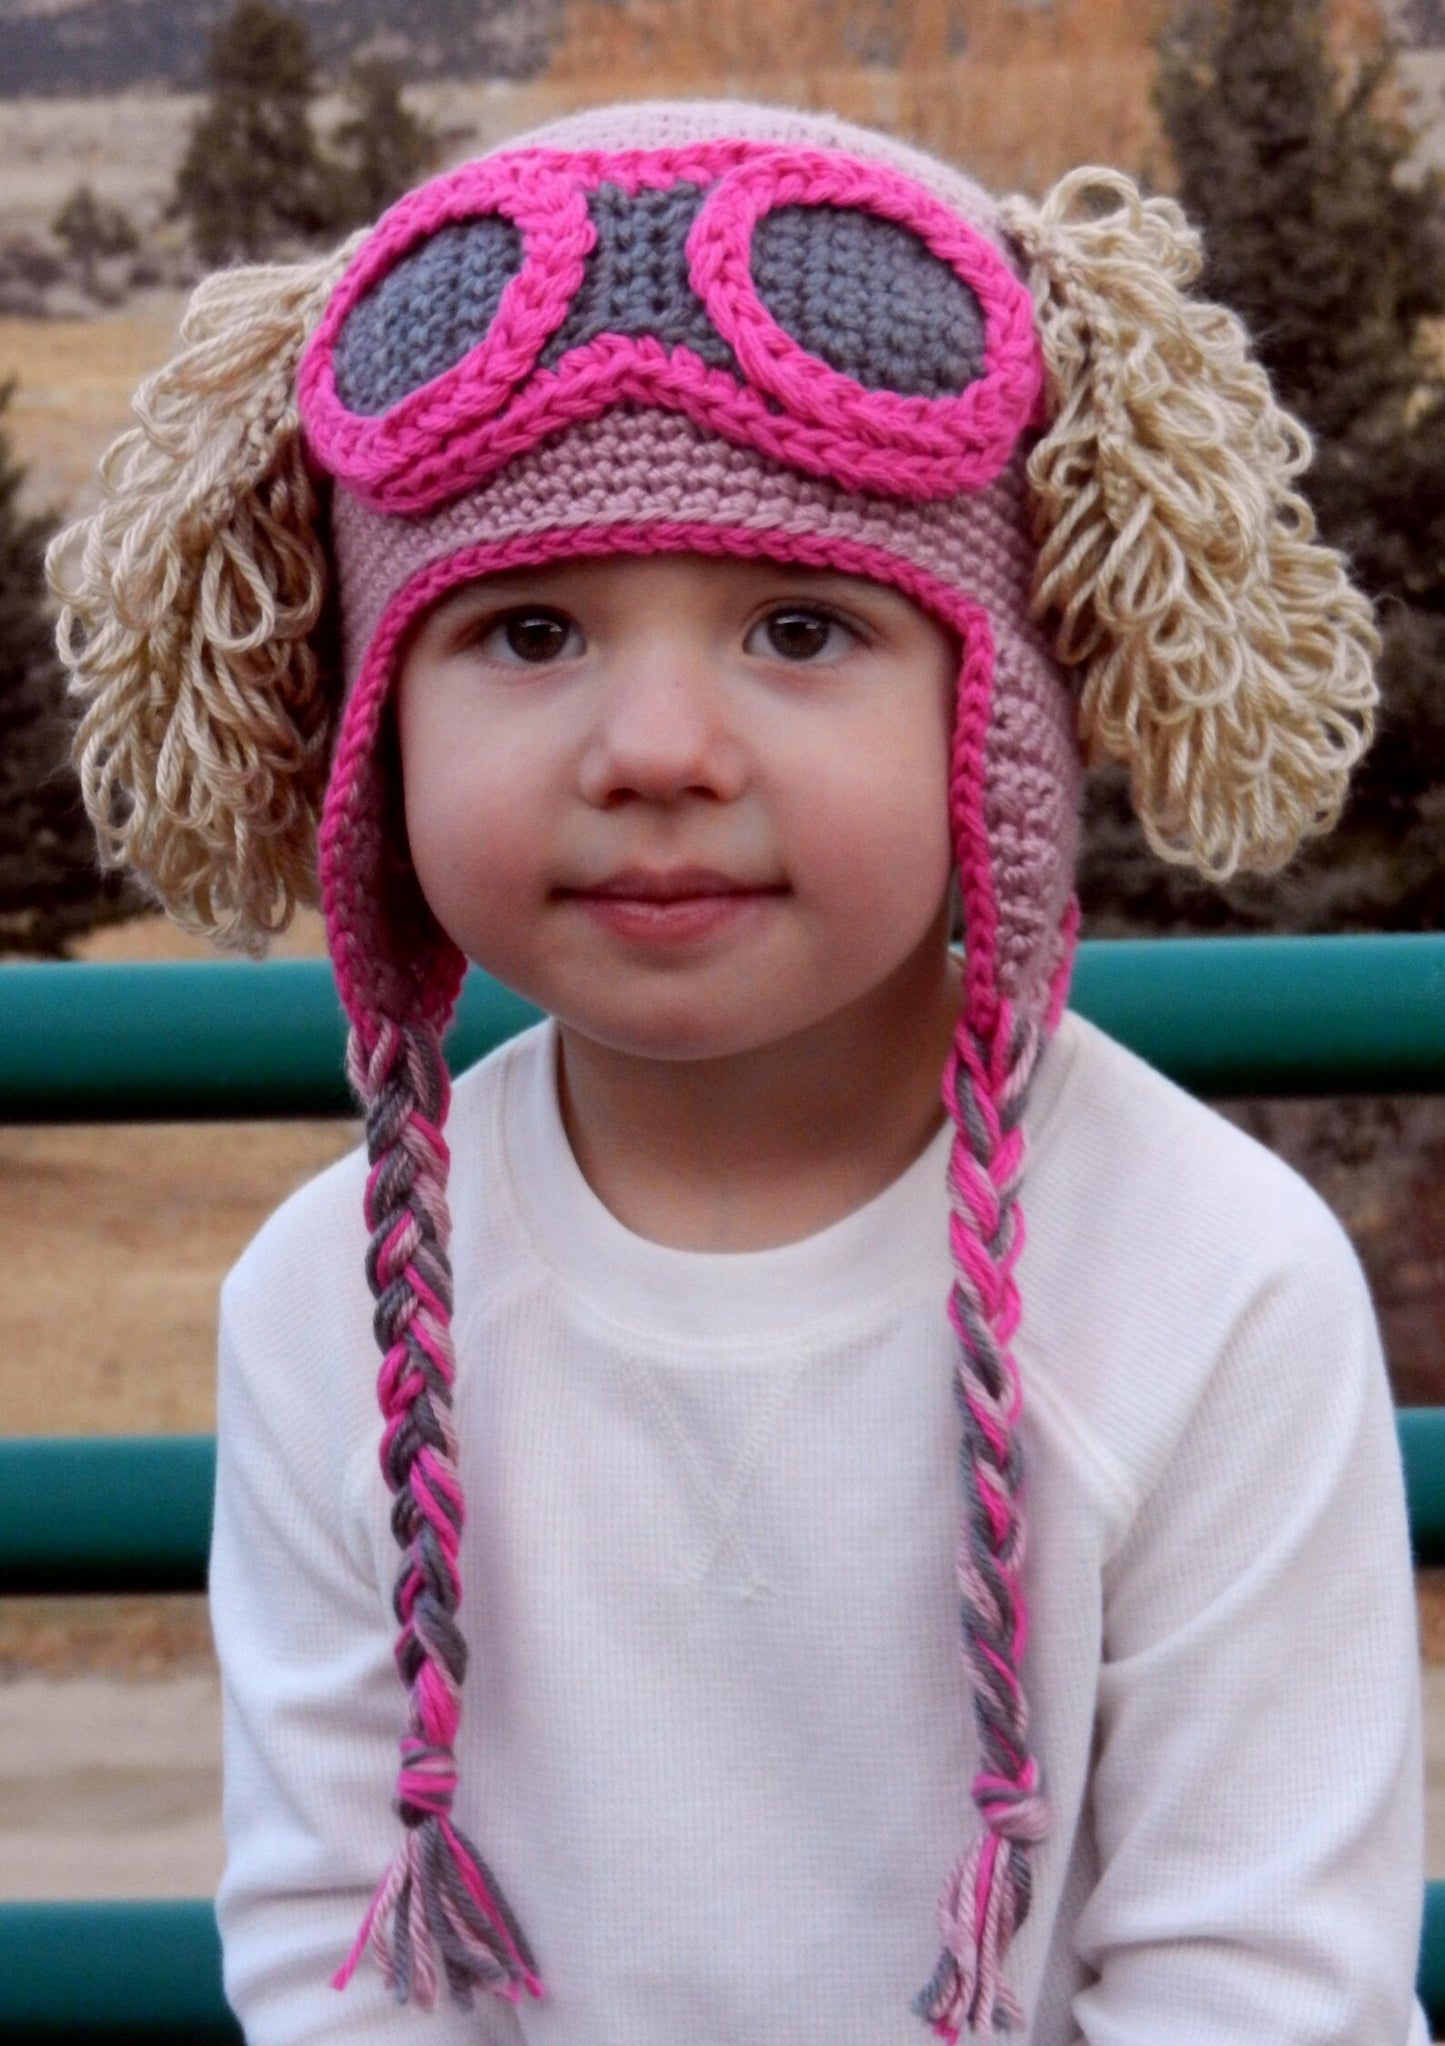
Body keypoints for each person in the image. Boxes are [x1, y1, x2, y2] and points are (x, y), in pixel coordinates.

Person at [48, 98, 1426, 2046]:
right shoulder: (322, 1310)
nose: (657, 748)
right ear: (368, 730)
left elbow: (1261, 1986)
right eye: (529, 629)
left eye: (800, 626)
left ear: (999, 711)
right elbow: (337, 1952)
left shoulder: (1214, 1285)